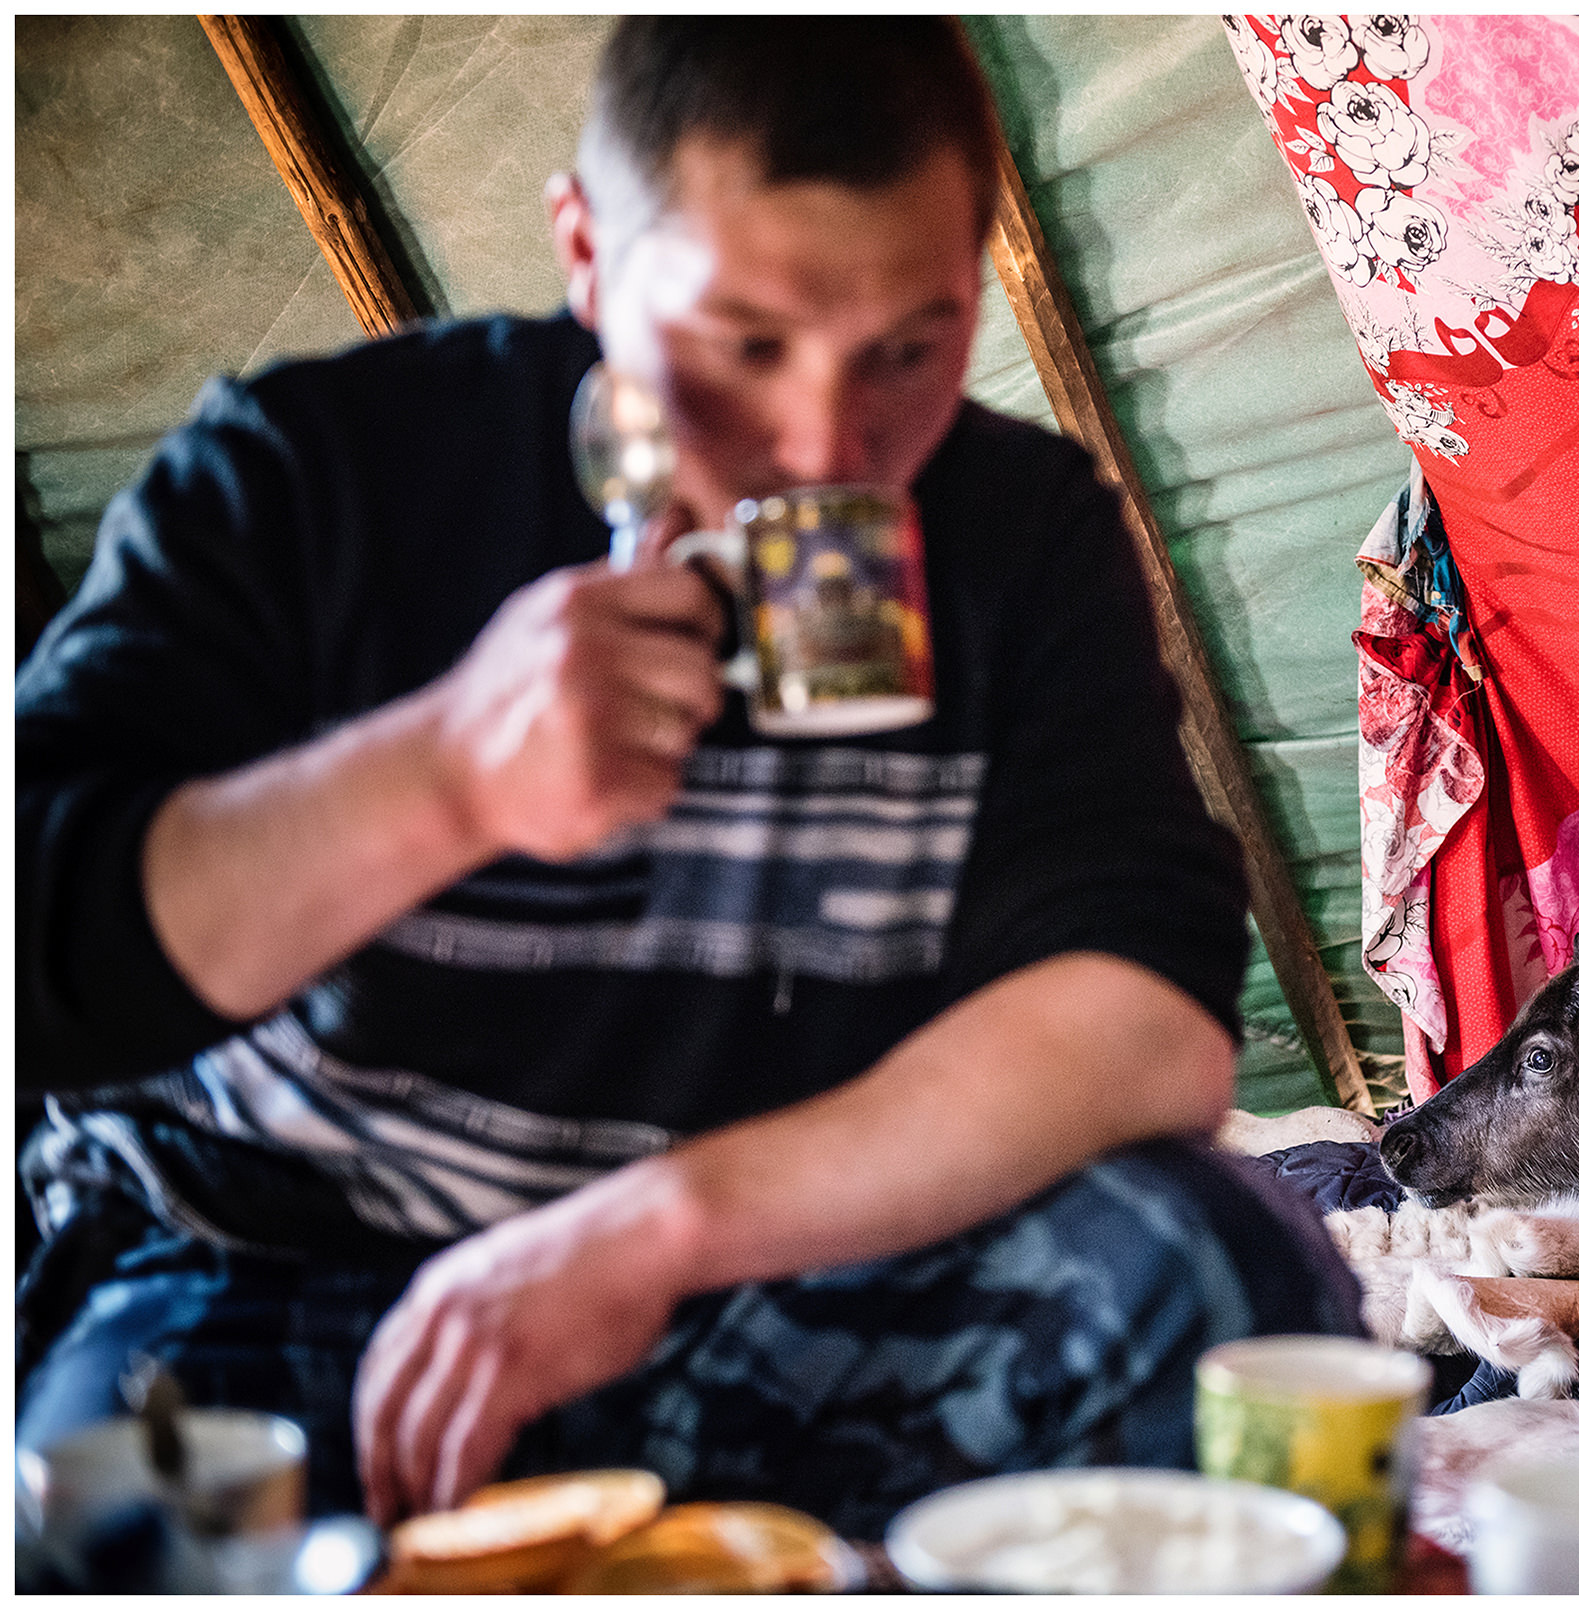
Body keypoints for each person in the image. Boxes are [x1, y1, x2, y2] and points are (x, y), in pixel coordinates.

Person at [17, 17, 1359, 1536]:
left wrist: (651, 1232)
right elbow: (41, 950)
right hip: (283, 1261)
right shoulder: (318, 475)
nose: (823, 451)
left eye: (908, 350)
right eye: (744, 345)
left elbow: (1144, 1027)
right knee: (116, 1518)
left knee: (1218, 1276)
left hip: (772, 1266)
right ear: (585, 251)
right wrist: (442, 778)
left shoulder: (1013, 535)